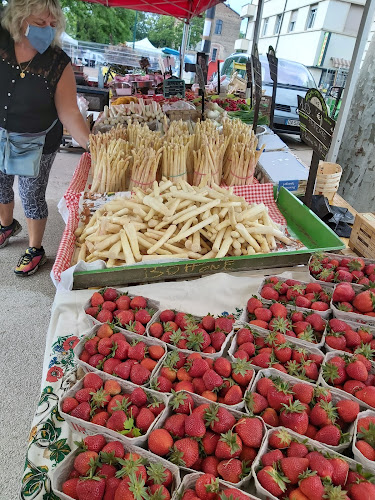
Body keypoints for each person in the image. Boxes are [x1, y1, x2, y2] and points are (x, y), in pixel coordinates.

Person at [0, 0, 90, 276]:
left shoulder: (57, 61)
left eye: (52, 25)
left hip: (36, 139)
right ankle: (6, 224)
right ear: (19, 19)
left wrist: (94, 146)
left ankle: (35, 247)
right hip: (2, 131)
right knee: (1, 184)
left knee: (32, 195)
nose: (47, 30)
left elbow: (70, 113)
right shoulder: (3, 43)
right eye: (40, 24)